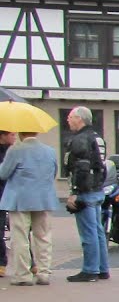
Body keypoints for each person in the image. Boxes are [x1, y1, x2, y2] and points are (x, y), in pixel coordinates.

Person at [0, 130, 61, 286]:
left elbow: (3, 173)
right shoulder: (50, 151)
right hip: (43, 199)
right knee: (43, 236)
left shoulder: (15, 150)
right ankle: (44, 273)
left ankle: (23, 274)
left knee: (20, 237)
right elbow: (54, 172)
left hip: (20, 200)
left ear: (21, 133)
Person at [62, 105, 110, 282]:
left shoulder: (80, 139)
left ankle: (90, 270)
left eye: (70, 117)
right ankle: (102, 268)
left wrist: (75, 192)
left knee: (88, 232)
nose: (68, 120)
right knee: (98, 231)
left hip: (86, 191)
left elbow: (81, 167)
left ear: (79, 119)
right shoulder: (98, 138)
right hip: (97, 189)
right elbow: (101, 165)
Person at [0, 130, 13, 278]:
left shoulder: (12, 152)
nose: (14, 137)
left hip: (7, 196)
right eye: (11, 134)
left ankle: (2, 262)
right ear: (2, 136)